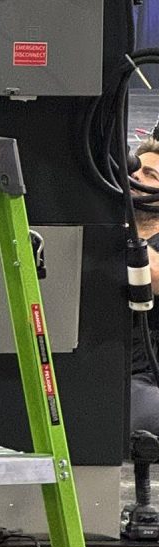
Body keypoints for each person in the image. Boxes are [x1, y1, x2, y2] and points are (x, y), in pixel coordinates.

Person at [130, 138, 159, 433]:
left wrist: (122, 226)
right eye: (137, 172)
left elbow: (153, 273)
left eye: (151, 176)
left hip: (141, 375)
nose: (138, 178)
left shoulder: (119, 231)